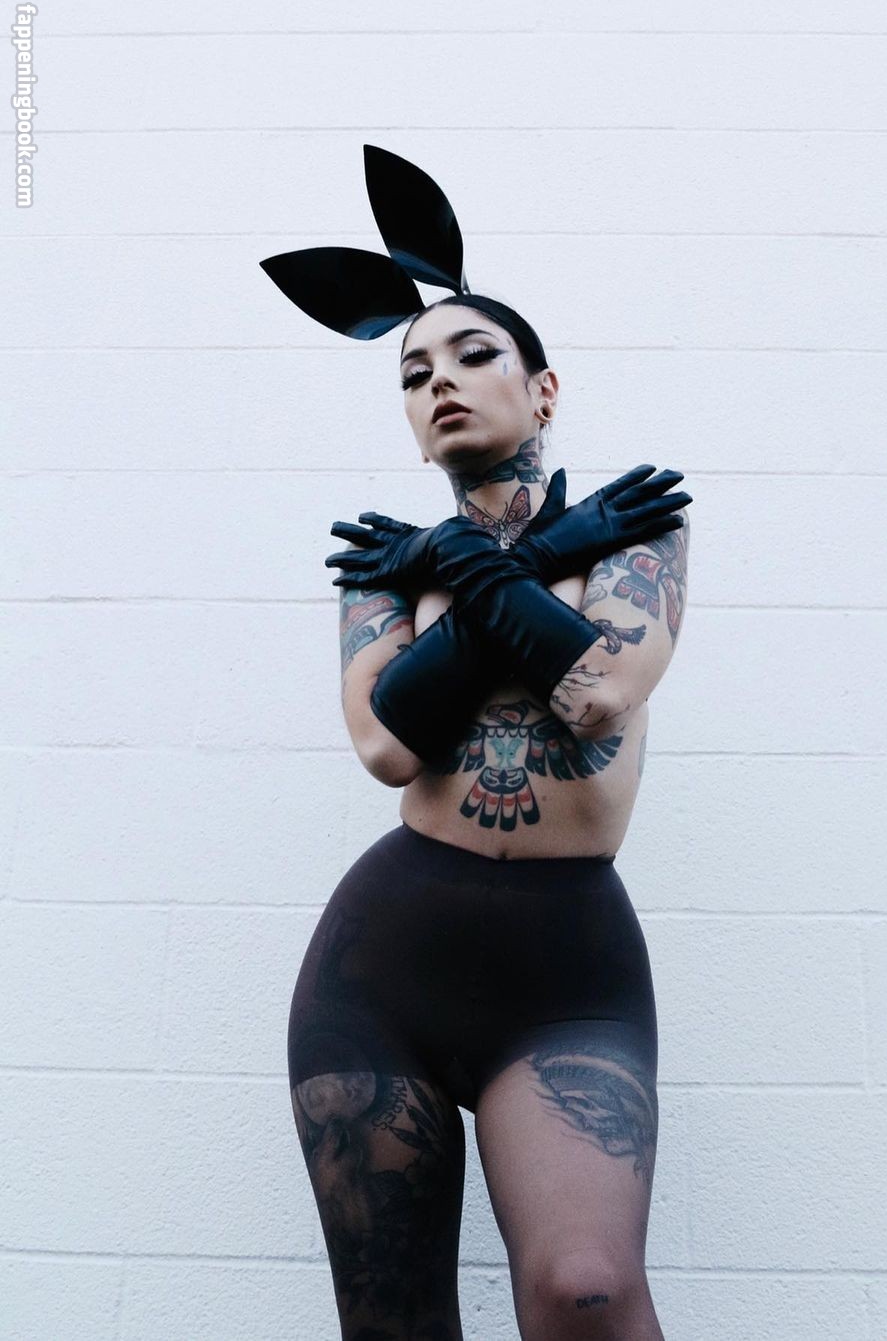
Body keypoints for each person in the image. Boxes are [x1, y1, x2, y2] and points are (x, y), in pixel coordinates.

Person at [261, 149, 692, 1341]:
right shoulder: (383, 570)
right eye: (414, 374)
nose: (440, 381)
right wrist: (478, 560)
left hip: (568, 973)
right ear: (412, 426)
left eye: (472, 354)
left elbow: (599, 693)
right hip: (382, 967)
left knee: (585, 1288)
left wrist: (488, 560)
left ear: (544, 391)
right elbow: (386, 746)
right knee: (394, 1323)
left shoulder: (636, 534)